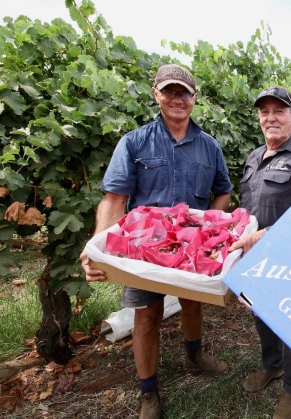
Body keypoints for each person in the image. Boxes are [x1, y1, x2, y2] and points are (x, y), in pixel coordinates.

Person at [79, 64, 233, 419]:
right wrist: (96, 248)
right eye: (170, 91)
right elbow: (115, 199)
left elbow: (223, 193)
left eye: (184, 92)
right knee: (146, 317)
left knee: (192, 305)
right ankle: (149, 392)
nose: (177, 99)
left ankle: (194, 356)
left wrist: (209, 227)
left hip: (190, 249)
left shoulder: (209, 147)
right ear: (156, 94)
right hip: (143, 251)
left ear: (195, 99)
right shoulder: (134, 142)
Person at [229, 86, 291, 419]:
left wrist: (266, 235)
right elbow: (246, 207)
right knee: (261, 314)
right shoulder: (253, 157)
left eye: (279, 111)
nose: (271, 118)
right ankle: (272, 365)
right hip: (256, 259)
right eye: (264, 112)